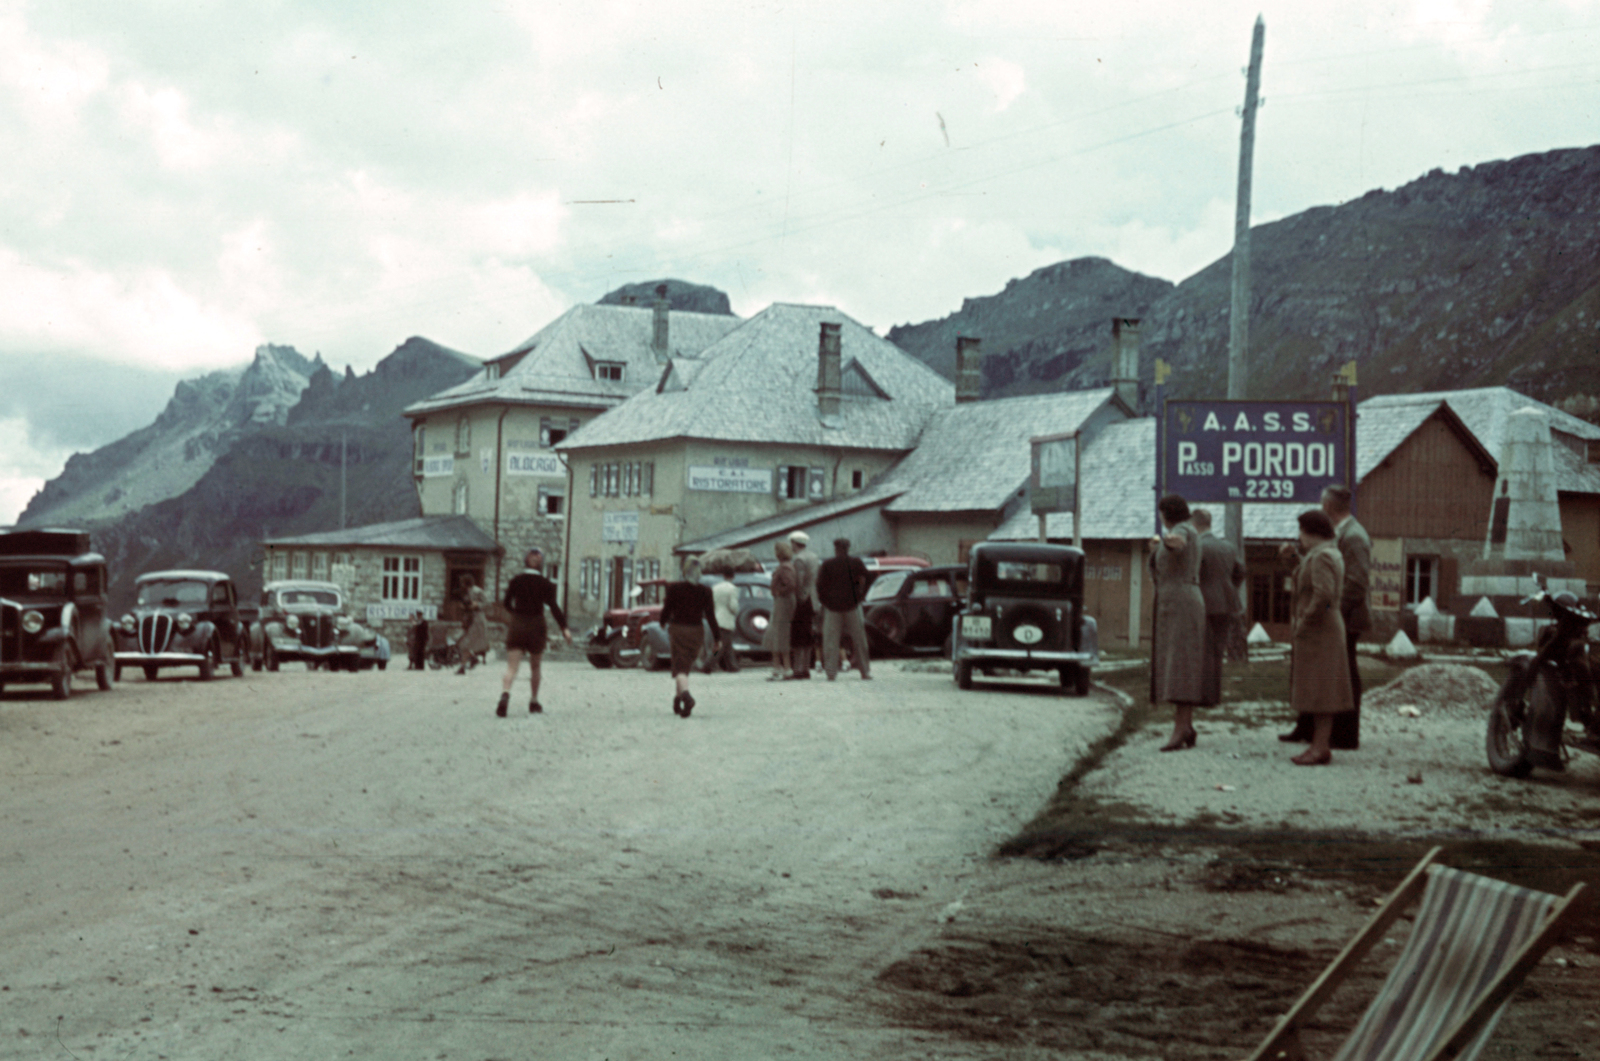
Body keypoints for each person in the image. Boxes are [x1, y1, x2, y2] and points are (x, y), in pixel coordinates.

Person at [1280, 484, 1371, 749]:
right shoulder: (1331, 539)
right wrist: (1294, 560)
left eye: (1322, 504)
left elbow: (1356, 583)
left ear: (1328, 506)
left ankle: (1344, 735)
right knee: (1316, 673)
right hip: (1330, 616)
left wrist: (1329, 614)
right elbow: (1315, 576)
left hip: (1344, 617)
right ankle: (1307, 727)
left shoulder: (1354, 537)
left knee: (1340, 677)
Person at [1286, 508, 1355, 765]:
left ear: (1310, 532)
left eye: (1301, 531)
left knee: (1321, 689)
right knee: (1320, 688)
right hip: (1325, 628)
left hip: (1320, 630)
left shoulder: (1322, 556)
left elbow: (1323, 595)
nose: (1299, 537)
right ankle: (1319, 744)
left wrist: (1304, 622)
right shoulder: (1327, 553)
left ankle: (1320, 746)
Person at [1149, 494, 1208, 751]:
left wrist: (1169, 542)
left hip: (1181, 604)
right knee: (1180, 662)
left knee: (1181, 664)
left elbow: (1178, 543)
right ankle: (1187, 725)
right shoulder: (1189, 529)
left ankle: (1180, 729)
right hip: (1180, 602)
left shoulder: (1181, 530)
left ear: (1166, 513)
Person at [497, 548, 573, 717]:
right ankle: (533, 701)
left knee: (512, 666)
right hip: (536, 625)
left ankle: (505, 694)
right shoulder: (545, 584)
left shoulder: (516, 580)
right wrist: (564, 628)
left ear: (525, 561)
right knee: (535, 666)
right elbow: (554, 607)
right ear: (541, 564)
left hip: (518, 623)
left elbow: (507, 603)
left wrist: (515, 614)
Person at [1192, 509, 1245, 705]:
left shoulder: (1198, 546)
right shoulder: (1228, 547)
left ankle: (1205, 696)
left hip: (1203, 602)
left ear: (1194, 524)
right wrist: (1230, 588)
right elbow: (1241, 571)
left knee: (1204, 651)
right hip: (1227, 603)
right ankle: (1215, 695)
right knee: (1217, 650)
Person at [659, 558, 721, 718]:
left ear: (684, 571)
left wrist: (662, 622)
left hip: (678, 629)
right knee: (684, 665)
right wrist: (717, 638)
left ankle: (686, 697)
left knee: (680, 666)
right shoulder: (706, 591)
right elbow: (711, 615)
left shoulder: (674, 588)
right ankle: (677, 699)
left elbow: (667, 608)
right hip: (696, 631)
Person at [817, 537, 872, 680]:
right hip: (853, 605)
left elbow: (819, 585)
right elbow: (869, 577)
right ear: (848, 548)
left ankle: (831, 673)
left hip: (832, 607)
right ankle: (865, 672)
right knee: (859, 640)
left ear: (836, 549)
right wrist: (861, 595)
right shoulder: (856, 563)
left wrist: (825, 601)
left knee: (830, 641)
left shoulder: (828, 564)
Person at [762, 541, 797, 681]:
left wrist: (778, 592)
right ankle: (780, 668)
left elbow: (790, 584)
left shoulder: (784, 568)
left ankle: (783, 668)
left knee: (779, 633)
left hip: (783, 602)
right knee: (778, 632)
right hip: (784, 602)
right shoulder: (788, 566)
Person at [787, 530, 819, 679]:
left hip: (802, 601)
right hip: (813, 599)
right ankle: (805, 667)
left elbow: (799, 582)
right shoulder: (813, 557)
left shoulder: (799, 559)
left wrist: (797, 598)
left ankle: (798, 669)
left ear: (794, 543)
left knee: (798, 637)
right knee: (807, 636)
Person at [704, 570, 741, 674]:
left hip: (716, 618)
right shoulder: (732, 589)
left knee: (728, 646)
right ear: (733, 577)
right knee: (721, 646)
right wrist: (736, 611)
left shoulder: (715, 587)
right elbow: (733, 606)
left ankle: (733, 666)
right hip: (726, 620)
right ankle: (707, 665)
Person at [454, 582, 490, 674]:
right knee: (463, 645)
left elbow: (485, 603)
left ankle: (464, 666)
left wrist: (476, 605)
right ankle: (471, 660)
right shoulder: (469, 594)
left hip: (475, 624)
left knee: (464, 645)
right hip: (470, 623)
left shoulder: (476, 592)